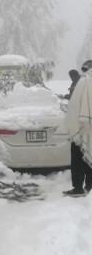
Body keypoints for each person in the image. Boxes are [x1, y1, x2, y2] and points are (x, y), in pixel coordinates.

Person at [62, 60, 92, 197]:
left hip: (81, 127)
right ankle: (88, 187)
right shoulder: (83, 82)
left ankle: (80, 188)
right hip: (86, 125)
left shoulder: (84, 82)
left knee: (79, 157)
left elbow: (75, 106)